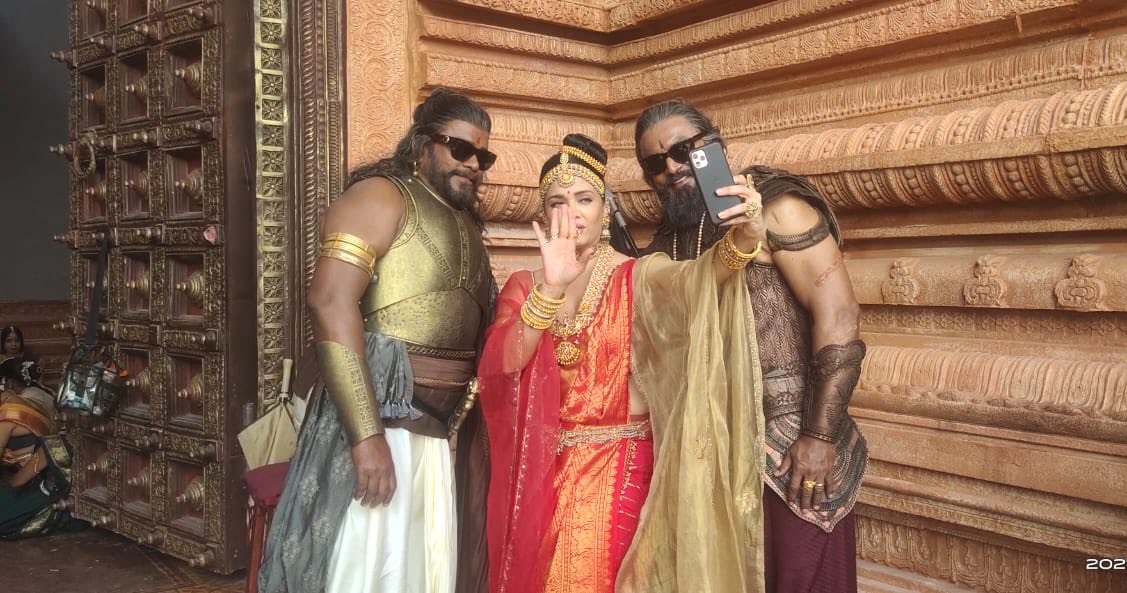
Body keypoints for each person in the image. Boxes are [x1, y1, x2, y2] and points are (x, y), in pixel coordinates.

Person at [479, 134, 768, 593]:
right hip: (542, 475)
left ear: (604, 208)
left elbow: (701, 278)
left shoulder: (639, 275)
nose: (571, 213)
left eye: (584, 199)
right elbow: (503, 366)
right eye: (557, 202)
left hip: (622, 464)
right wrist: (550, 289)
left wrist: (747, 236)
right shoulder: (524, 285)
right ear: (543, 215)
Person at [259, 88, 496, 593]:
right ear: (422, 144)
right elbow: (329, 301)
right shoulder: (381, 196)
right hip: (378, 424)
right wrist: (366, 438)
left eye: (484, 156)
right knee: (364, 566)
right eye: (460, 149)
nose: (474, 164)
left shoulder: (465, 222)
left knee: (418, 571)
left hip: (436, 434)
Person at [628, 99, 870, 593]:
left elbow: (840, 316)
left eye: (683, 151)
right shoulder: (669, 243)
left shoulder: (777, 205)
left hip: (789, 447)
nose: (671, 168)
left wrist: (819, 436)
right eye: (655, 162)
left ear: (712, 143)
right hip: (710, 455)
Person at [0, 358, 84, 538]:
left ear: (8, 384)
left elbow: (19, 479)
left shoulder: (8, 413)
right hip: (42, 474)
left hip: (43, 480)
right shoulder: (29, 399)